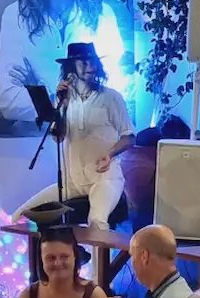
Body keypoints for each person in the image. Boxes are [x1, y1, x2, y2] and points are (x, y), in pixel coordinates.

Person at [17, 42, 134, 230]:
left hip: (104, 178)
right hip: (72, 182)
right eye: (84, 62)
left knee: (97, 221)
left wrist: (109, 154)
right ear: (71, 67)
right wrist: (62, 105)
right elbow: (58, 137)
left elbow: (129, 137)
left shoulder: (111, 97)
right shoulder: (64, 99)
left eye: (93, 61)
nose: (91, 67)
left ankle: (100, 250)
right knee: (22, 216)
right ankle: (59, 248)